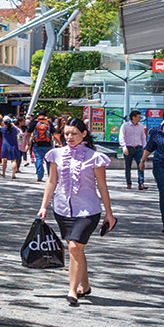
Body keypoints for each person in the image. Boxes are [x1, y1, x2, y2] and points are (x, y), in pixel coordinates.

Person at [37, 118, 115, 306]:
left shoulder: (95, 157)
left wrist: (109, 213)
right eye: (66, 134)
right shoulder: (55, 154)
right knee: (76, 249)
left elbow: (102, 187)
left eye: (74, 133)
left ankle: (72, 290)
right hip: (63, 208)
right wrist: (43, 206)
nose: (69, 137)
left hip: (88, 209)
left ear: (84, 134)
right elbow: (51, 181)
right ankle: (85, 285)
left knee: (74, 247)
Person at [119, 111, 149, 190]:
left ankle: (141, 183)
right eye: (138, 117)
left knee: (141, 165)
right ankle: (129, 183)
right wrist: (124, 147)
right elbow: (121, 137)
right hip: (129, 148)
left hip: (138, 148)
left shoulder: (141, 126)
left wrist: (145, 148)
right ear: (133, 117)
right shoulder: (125, 126)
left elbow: (143, 137)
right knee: (128, 167)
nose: (140, 118)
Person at [28, 113, 54, 181]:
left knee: (39, 159)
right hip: (48, 144)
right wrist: (60, 143)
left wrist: (28, 142)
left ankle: (40, 176)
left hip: (37, 144)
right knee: (49, 161)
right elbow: (54, 133)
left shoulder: (35, 123)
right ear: (45, 115)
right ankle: (50, 176)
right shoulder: (48, 123)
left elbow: (28, 133)